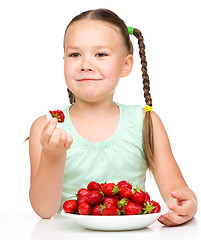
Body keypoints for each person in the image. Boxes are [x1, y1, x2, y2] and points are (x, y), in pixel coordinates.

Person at [28, 8, 197, 226]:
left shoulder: (145, 121)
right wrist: (52, 155)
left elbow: (177, 191)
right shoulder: (47, 126)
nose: (86, 64)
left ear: (126, 65)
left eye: (100, 54)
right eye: (75, 54)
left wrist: (188, 203)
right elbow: (44, 209)